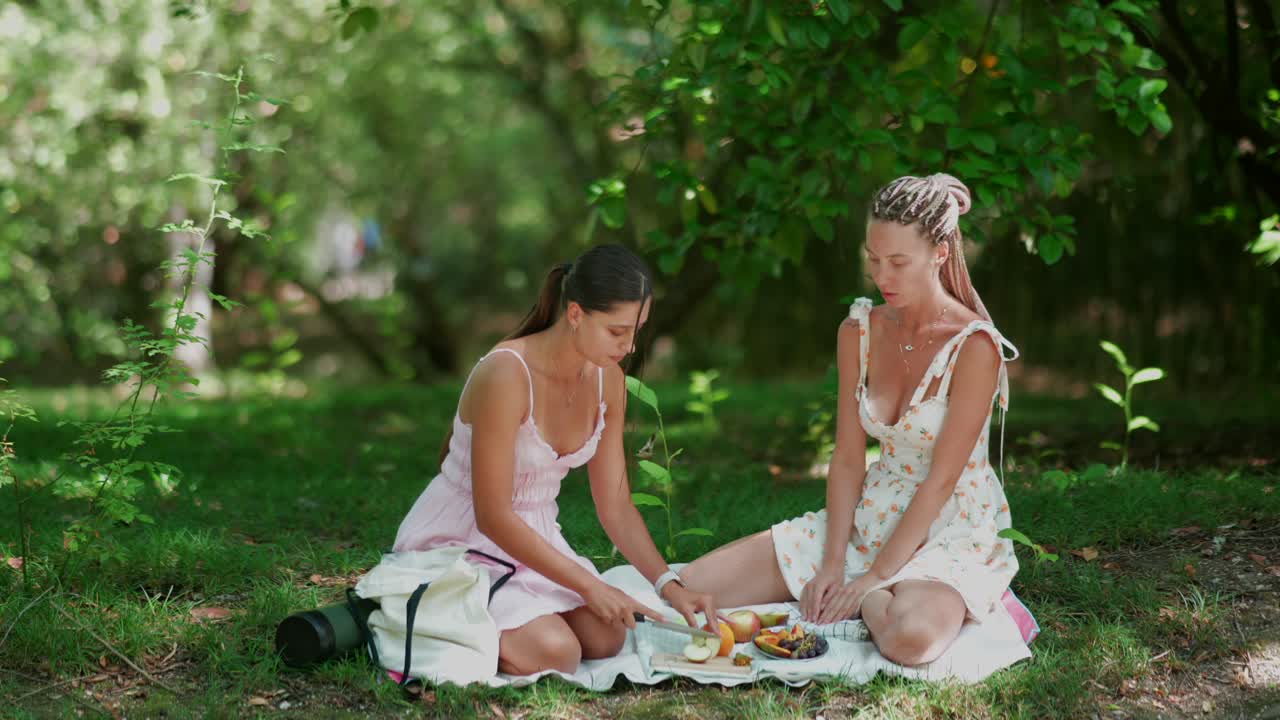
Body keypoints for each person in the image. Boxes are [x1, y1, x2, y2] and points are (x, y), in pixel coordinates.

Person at [678, 174, 1021, 667]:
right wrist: (833, 562)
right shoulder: (858, 331)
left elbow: (942, 480)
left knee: (912, 640)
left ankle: (873, 603)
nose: (884, 277)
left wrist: (869, 580)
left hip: (949, 524)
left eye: (899, 263)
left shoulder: (975, 347)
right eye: (874, 258)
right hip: (873, 512)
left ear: (940, 254)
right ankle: (864, 592)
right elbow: (847, 457)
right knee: (693, 587)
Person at [392, 244, 717, 675]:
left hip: (537, 537)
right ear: (577, 313)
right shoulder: (507, 373)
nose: (629, 346)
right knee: (557, 652)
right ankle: (426, 620)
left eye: (636, 330)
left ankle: (520, 619)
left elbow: (615, 505)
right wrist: (588, 583)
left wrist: (669, 586)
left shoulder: (609, 380)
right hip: (465, 539)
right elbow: (492, 515)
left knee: (607, 637)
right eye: (617, 331)